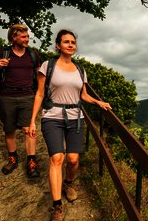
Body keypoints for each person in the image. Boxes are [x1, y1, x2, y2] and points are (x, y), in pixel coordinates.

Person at [29, 29, 111, 221]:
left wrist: (98, 102)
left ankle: (68, 183)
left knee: (73, 160)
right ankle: (57, 206)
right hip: (52, 117)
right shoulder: (47, 66)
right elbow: (40, 94)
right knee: (57, 158)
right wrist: (32, 121)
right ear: (58, 45)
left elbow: (83, 95)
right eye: (66, 42)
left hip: (75, 117)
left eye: (73, 42)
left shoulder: (80, 69)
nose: (71, 45)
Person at [0, 24, 41, 178]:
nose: (27, 39)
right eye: (24, 37)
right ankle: (13, 158)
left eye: (28, 36)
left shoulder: (33, 54)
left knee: (29, 129)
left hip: (27, 96)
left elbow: (39, 74)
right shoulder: (1, 52)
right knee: (9, 129)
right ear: (14, 37)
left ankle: (31, 162)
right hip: (6, 97)